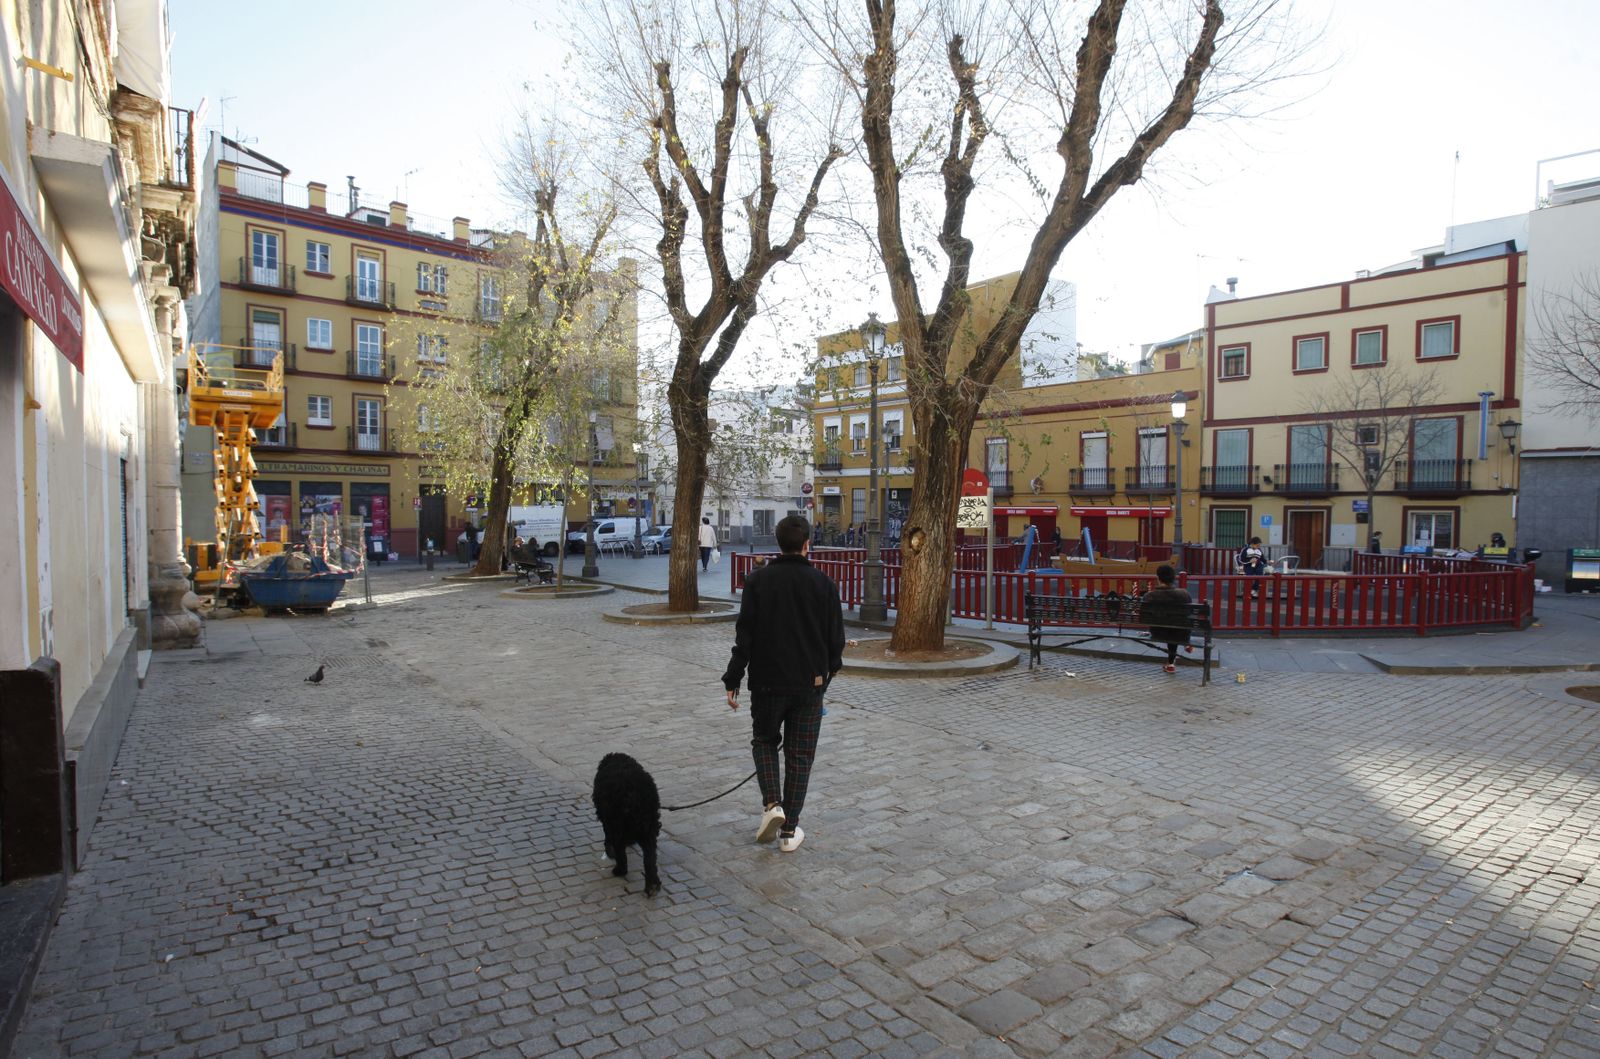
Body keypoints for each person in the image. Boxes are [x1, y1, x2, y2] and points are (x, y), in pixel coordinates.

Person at [722, 515, 845, 853]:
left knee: (763, 741)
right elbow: (837, 643)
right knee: (800, 756)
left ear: (777, 543)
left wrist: (733, 678)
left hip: (766, 684)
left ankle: (772, 804)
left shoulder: (758, 582)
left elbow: (743, 637)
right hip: (809, 685)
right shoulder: (824, 584)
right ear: (807, 544)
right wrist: (826, 676)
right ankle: (789, 832)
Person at [1140, 564, 1192, 674]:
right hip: (1181, 633)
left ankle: (1171, 664)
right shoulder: (1184, 594)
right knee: (1176, 625)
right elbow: (1189, 613)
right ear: (1173, 578)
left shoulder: (1149, 596)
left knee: (1169, 626)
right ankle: (1174, 659)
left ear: (1158, 578)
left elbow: (1143, 617)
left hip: (1157, 632)